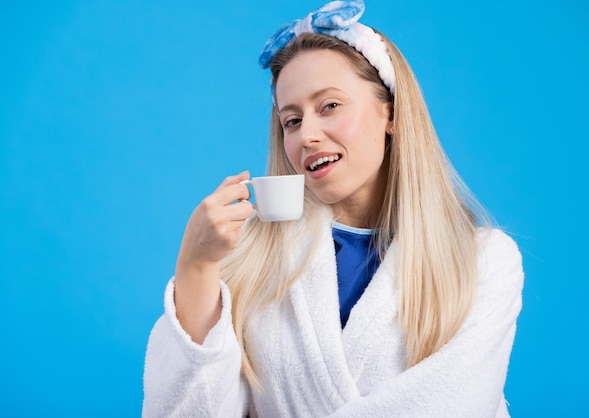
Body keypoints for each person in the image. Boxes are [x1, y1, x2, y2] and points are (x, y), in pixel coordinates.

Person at [142, 1, 524, 416]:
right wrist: (196, 265)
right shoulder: (250, 263)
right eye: (291, 120)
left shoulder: (483, 263)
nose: (306, 135)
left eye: (329, 106)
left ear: (390, 113)